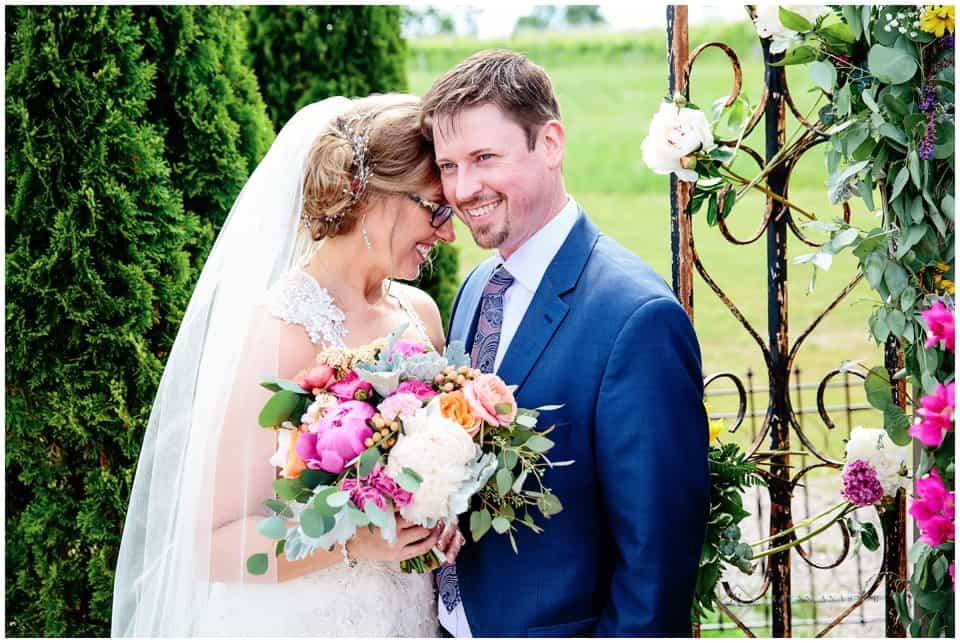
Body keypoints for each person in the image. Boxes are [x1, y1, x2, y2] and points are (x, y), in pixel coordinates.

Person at [111, 94, 464, 637]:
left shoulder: (420, 315)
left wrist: (440, 515)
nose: (447, 232)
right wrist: (353, 541)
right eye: (435, 209)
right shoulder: (278, 332)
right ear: (367, 194)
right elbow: (214, 546)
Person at [421, 50, 711, 636]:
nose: (464, 187)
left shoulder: (636, 317)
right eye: (449, 166)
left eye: (483, 158)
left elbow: (656, 564)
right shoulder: (478, 287)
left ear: (550, 144)